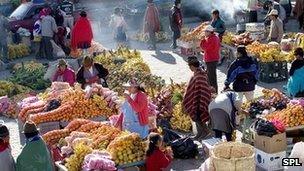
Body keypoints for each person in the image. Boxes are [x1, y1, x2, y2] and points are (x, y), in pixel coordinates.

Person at [182, 56, 212, 140]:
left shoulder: (200, 75)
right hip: (196, 99)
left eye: (189, 66)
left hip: (200, 100)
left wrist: (200, 99)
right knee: (196, 118)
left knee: (199, 118)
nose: (189, 68)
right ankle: (200, 133)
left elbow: (203, 88)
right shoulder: (197, 73)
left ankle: (205, 132)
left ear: (192, 66)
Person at [200, 25, 220, 93]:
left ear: (209, 32)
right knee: (210, 76)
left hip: (211, 60)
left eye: (205, 32)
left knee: (212, 78)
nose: (204, 33)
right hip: (212, 59)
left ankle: (214, 92)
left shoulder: (212, 39)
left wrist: (202, 40)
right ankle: (212, 91)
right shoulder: (213, 37)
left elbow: (205, 47)